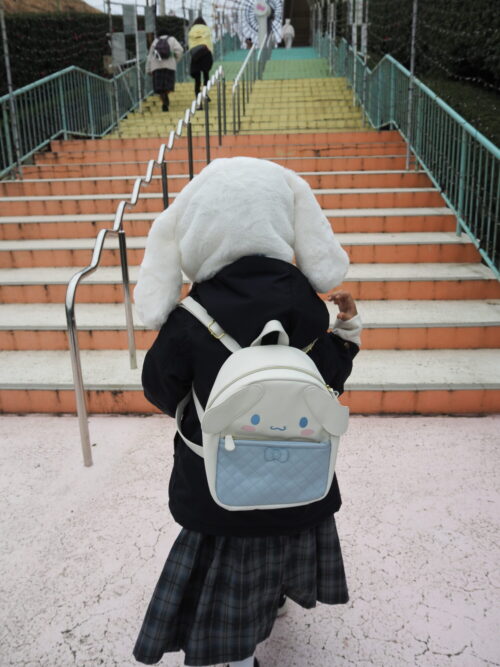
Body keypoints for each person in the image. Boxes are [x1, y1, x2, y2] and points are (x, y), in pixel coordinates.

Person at [132, 157, 361, 667]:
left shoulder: (190, 316)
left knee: (228, 571)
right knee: (281, 540)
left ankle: (237, 656)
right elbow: (331, 375)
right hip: (298, 475)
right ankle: (278, 595)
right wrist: (348, 333)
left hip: (219, 485)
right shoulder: (307, 305)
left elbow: (158, 386)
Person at [146, 33, 183, 112]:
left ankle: (164, 99)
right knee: (168, 86)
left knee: (159, 88)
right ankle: (165, 95)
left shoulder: (155, 41)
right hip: (169, 66)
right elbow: (180, 50)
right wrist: (175, 60)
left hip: (156, 67)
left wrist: (148, 69)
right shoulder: (172, 39)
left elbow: (150, 56)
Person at [188, 16, 213, 108]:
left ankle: (199, 103)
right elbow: (209, 42)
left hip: (195, 55)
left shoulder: (191, 30)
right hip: (206, 53)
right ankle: (205, 93)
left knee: (197, 80)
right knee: (206, 75)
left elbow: (190, 44)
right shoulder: (207, 29)